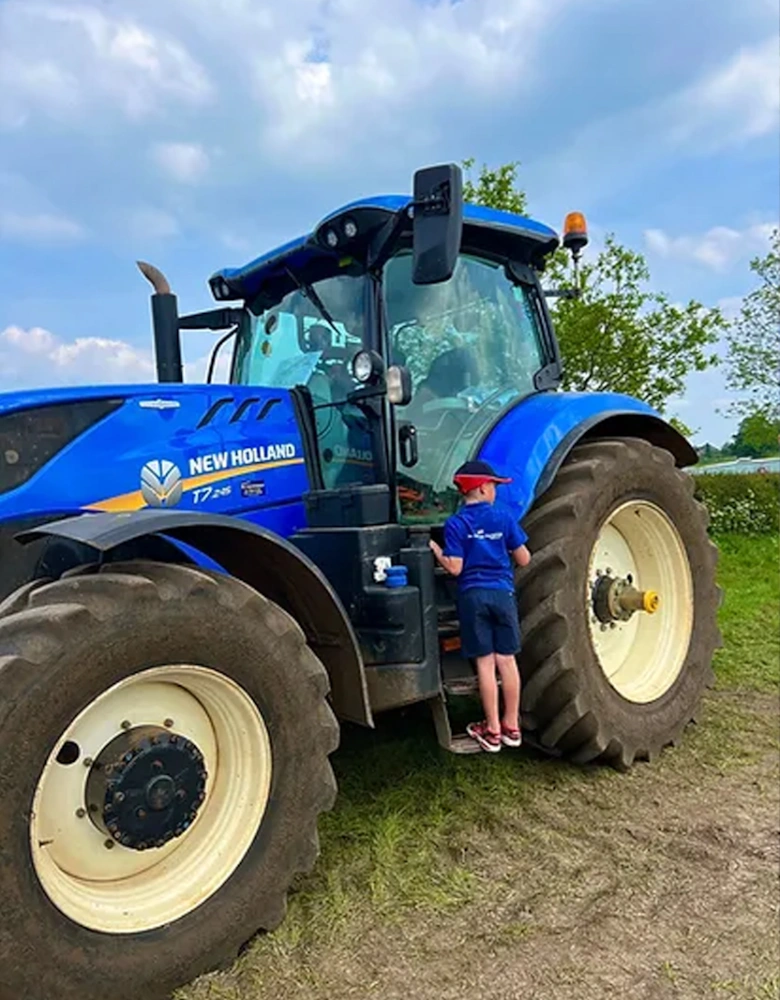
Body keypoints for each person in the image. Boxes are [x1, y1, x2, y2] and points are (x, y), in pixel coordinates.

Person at [429, 460, 531, 753]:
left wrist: (435, 550)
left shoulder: (456, 523)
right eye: (495, 487)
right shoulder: (504, 518)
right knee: (507, 661)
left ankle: (493, 731)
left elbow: (456, 568)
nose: (496, 492)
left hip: (473, 598)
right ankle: (512, 726)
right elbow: (524, 559)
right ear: (484, 488)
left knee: (485, 664)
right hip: (503, 595)